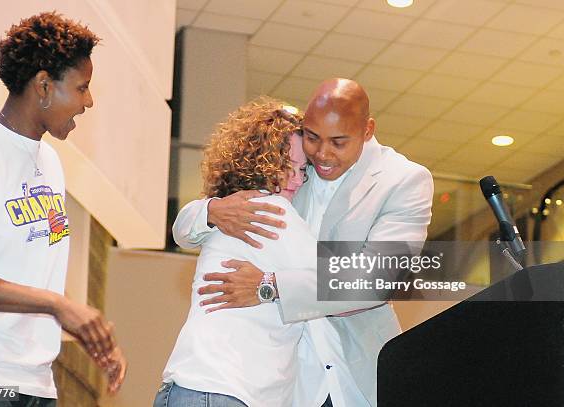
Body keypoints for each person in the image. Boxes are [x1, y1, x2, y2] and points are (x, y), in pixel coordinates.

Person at [172, 78, 434, 407]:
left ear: (367, 131)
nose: (322, 154)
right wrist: (211, 210)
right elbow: (187, 227)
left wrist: (270, 285)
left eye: (338, 142)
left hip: (356, 376)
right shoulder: (293, 165)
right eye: (313, 138)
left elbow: (379, 277)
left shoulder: (403, 179)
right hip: (290, 382)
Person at [0, 12, 126, 406]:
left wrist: (85, 328)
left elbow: (33, 269)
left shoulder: (50, 162)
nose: (89, 101)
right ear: (44, 85)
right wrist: (58, 305)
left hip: (35, 382)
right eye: (82, 88)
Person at [155, 97, 312, 407]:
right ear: (261, 162)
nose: (296, 179)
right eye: (286, 166)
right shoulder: (272, 211)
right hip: (223, 390)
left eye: (303, 170)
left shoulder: (230, 209)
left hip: (195, 386)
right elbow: (337, 282)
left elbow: (183, 229)